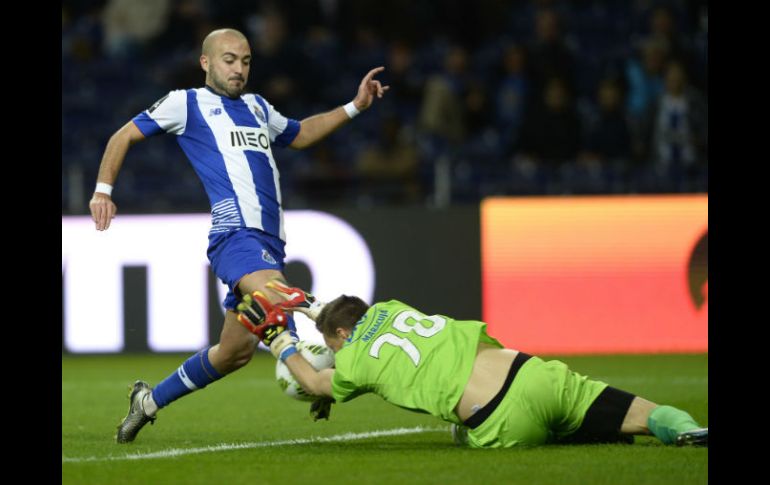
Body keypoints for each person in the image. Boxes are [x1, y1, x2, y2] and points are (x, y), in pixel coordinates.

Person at [89, 28, 389, 443]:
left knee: (233, 354)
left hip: (269, 244)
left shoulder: (257, 106)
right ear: (206, 62)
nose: (239, 69)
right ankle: (320, 361)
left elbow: (300, 133)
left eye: (246, 61)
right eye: (229, 60)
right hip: (233, 234)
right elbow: (122, 135)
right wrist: (103, 191)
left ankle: (148, 401)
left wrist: (355, 106)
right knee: (279, 297)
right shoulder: (186, 103)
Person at [238, 281, 708, 448]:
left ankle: (580, 430)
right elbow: (348, 317)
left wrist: (278, 339)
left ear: (341, 337)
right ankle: (680, 426)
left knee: (464, 433)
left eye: (335, 345)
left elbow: (319, 383)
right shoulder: (396, 308)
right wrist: (312, 304)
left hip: (497, 420)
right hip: (531, 372)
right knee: (639, 415)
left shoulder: (354, 361)